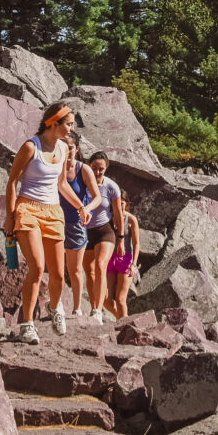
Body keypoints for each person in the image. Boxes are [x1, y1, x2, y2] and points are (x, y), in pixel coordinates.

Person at [4, 102, 88, 344]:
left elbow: (61, 184)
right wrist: (10, 217)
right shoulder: (31, 147)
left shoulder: (63, 148)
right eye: (68, 124)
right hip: (28, 208)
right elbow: (12, 183)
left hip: (53, 212)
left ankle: (54, 308)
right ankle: (27, 324)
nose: (71, 129)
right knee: (38, 267)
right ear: (54, 123)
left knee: (59, 276)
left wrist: (80, 206)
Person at [59, 135, 102, 316]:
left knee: (74, 269)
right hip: (55, 221)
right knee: (55, 268)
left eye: (70, 147)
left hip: (76, 224)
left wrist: (86, 209)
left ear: (76, 149)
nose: (68, 151)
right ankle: (56, 304)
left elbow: (97, 197)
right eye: (64, 147)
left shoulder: (83, 170)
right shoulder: (55, 167)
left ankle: (77, 309)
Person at [82, 152, 124, 324]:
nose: (98, 172)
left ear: (106, 169)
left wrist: (120, 238)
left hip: (105, 231)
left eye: (101, 169)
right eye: (94, 168)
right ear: (89, 166)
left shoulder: (111, 186)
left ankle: (97, 310)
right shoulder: (82, 182)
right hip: (85, 232)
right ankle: (94, 308)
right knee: (89, 273)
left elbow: (119, 214)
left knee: (100, 265)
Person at [104, 189, 140, 319]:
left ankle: (124, 326)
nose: (120, 205)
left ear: (127, 203)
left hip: (126, 259)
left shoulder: (131, 219)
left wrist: (134, 264)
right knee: (105, 299)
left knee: (120, 299)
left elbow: (136, 244)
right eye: (118, 202)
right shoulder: (107, 217)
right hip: (110, 258)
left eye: (123, 203)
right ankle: (122, 320)